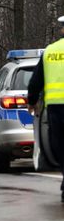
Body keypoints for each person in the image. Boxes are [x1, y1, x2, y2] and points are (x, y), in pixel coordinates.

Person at [28, 15, 64, 202]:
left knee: (59, 147)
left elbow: (36, 81)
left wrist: (32, 101)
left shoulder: (50, 52)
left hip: (56, 109)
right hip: (55, 108)